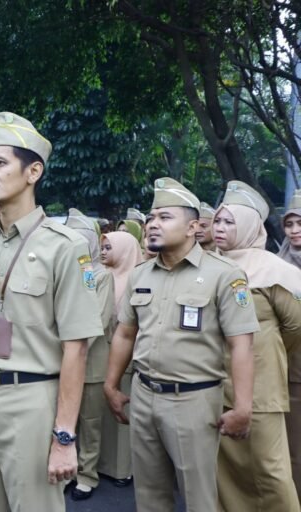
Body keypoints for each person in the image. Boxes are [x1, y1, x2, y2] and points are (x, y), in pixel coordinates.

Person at [0, 112, 104, 512]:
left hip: (32, 399)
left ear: (33, 171)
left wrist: (64, 437)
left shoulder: (65, 247)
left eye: (0, 163)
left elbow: (77, 348)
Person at [104, 177, 258, 512]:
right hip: (143, 396)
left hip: (193, 400)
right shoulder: (140, 275)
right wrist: (112, 384)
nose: (153, 225)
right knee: (149, 494)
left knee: (198, 495)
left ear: (193, 227)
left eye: (164, 217)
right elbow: (125, 333)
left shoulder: (224, 275)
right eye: (150, 218)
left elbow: (242, 344)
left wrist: (243, 407)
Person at [212, 181, 301, 512]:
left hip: (261, 388)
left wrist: (265, 350)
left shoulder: (274, 270)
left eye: (228, 222)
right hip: (215, 384)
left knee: (269, 469)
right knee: (225, 470)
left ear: (249, 226)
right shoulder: (209, 265)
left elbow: (295, 327)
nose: (219, 228)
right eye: (217, 221)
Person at [66, 208, 115, 501]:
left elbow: (98, 319)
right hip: (61, 359)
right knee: (64, 421)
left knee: (90, 421)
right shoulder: (62, 272)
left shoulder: (101, 275)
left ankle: (87, 474)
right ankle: (68, 471)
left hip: (92, 360)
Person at [96, 230, 143, 486]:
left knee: (123, 413)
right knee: (102, 413)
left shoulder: (136, 279)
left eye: (108, 247)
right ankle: (102, 463)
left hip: (127, 356)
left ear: (125, 250)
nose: (103, 252)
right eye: (102, 247)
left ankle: (123, 468)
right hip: (101, 352)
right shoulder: (99, 276)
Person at [280, 189, 301, 504]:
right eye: (289, 224)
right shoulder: (277, 263)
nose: (295, 231)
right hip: (289, 368)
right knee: (293, 446)